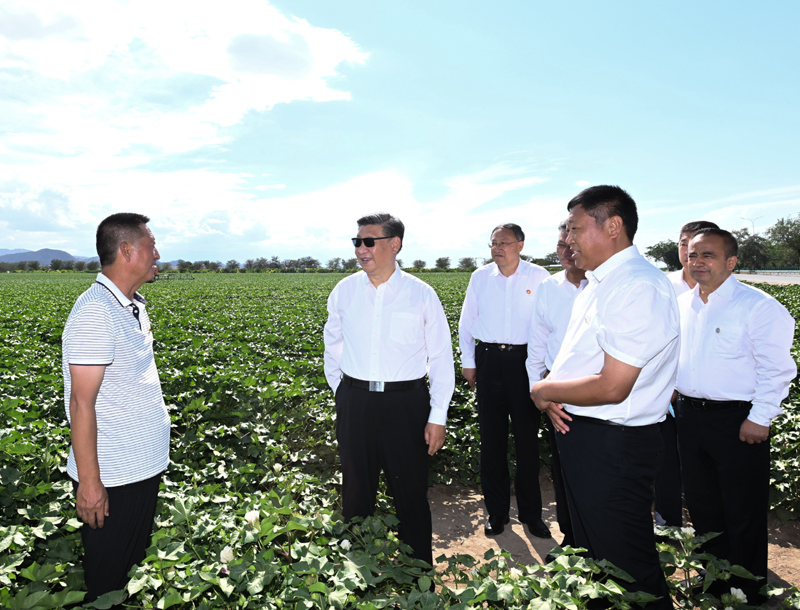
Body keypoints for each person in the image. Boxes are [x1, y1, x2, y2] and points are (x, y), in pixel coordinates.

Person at [531, 185, 678, 609]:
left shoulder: (637, 286)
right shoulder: (599, 282)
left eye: (576, 228)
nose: (569, 238)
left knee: (627, 564)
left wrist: (544, 390)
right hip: (589, 435)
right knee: (596, 559)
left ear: (613, 226)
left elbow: (614, 385)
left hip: (614, 443)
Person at [323, 213, 455, 566]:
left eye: (369, 241)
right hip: (356, 401)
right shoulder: (344, 291)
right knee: (355, 493)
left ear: (394, 244)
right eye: (357, 242)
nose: (360, 249)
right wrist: (344, 393)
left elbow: (442, 358)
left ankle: (418, 573)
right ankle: (355, 574)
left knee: (410, 493)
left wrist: (437, 416)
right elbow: (332, 346)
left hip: (405, 404)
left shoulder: (421, 295)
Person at [675, 228, 796, 603]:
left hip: (737, 421)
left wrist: (760, 418)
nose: (698, 262)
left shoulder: (757, 306)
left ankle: (748, 589)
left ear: (731, 262)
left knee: (742, 509)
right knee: (702, 504)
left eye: (708, 255)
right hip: (690, 418)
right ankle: (714, 581)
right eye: (693, 255)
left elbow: (776, 369)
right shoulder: (683, 304)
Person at [62, 213, 169, 604]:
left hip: (138, 469)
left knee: (130, 572)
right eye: (151, 244)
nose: (158, 253)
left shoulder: (130, 305)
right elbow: (81, 403)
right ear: (127, 251)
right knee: (108, 585)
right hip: (113, 478)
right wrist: (90, 485)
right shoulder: (96, 312)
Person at [458, 224, 551, 538]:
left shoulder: (539, 277)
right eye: (494, 243)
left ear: (520, 244)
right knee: (492, 441)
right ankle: (496, 513)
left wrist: (541, 371)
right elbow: (467, 321)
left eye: (504, 243)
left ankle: (531, 515)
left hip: (526, 362)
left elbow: (547, 325)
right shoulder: (480, 278)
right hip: (489, 362)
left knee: (527, 442)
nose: (498, 248)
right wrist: (469, 363)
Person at [525, 219, 587, 553]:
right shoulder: (549, 288)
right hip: (556, 392)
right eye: (560, 245)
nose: (564, 251)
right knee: (563, 470)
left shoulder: (603, 286)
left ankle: (595, 541)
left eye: (571, 244)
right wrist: (540, 391)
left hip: (599, 392)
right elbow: (537, 343)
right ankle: (571, 538)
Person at [655, 220, 718, 529]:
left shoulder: (727, 295)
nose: (688, 252)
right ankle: (667, 523)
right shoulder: (662, 284)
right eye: (683, 244)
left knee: (703, 470)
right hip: (665, 393)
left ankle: (710, 536)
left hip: (704, 397)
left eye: (696, 246)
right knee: (666, 461)